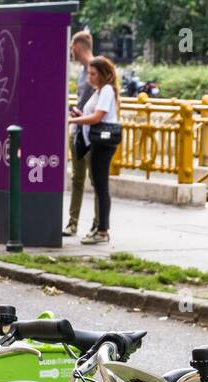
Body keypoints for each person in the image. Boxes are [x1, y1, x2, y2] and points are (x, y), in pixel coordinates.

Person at [68, 55, 120, 245]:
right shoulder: (99, 91)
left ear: (103, 74)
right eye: (89, 73)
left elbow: (98, 118)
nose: (90, 77)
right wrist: (80, 115)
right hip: (94, 142)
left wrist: (73, 120)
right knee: (98, 185)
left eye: (93, 73)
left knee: (101, 187)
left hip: (102, 143)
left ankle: (102, 230)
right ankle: (98, 228)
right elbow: (93, 116)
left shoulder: (106, 90)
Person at [63, 31, 96, 237]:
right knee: (77, 178)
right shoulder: (83, 72)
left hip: (91, 132)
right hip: (77, 129)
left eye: (71, 48)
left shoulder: (96, 69)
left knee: (95, 179)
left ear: (77, 47)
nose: (70, 53)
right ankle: (72, 222)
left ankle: (99, 224)